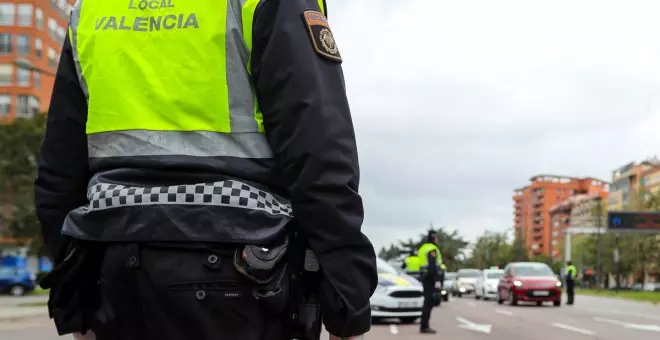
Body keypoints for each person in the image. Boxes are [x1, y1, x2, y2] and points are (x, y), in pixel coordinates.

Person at [34, 0, 378, 339]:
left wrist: (73, 291)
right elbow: (318, 152)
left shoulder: (93, 8)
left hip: (114, 269)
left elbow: (60, 167)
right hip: (240, 273)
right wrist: (347, 301)